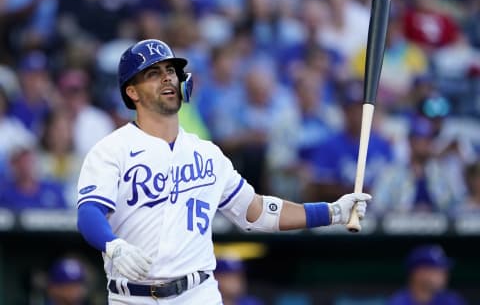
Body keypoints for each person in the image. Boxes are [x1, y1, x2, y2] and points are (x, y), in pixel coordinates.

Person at [75, 39, 371, 304]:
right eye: (153, 73)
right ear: (132, 92)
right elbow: (89, 212)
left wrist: (332, 212)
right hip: (132, 298)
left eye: (171, 71)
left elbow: (258, 212)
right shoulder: (111, 149)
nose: (167, 77)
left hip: (198, 293)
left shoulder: (209, 154)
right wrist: (113, 246)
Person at [388, 244, 467, 305]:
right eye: (437, 271)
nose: (445, 275)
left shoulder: (450, 300)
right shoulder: (399, 302)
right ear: (419, 274)